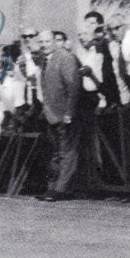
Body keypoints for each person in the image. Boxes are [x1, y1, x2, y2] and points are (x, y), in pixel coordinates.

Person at [35, 30, 81, 202]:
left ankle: (62, 189)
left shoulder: (65, 57)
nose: (44, 45)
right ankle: (52, 188)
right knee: (55, 152)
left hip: (64, 114)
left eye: (47, 41)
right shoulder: (45, 60)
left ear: (55, 41)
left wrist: (69, 112)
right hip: (51, 114)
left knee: (67, 151)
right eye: (42, 42)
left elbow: (73, 87)